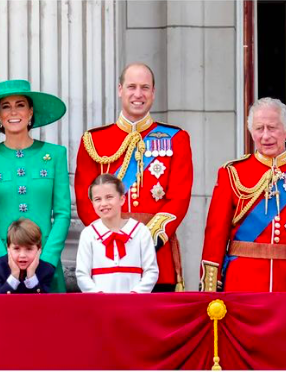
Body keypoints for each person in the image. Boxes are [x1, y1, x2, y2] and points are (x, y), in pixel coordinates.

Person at [74, 63, 193, 292]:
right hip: (107, 257)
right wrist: (111, 238)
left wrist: (142, 241)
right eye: (131, 87)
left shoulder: (176, 138)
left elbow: (179, 199)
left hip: (157, 257)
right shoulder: (93, 140)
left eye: (145, 87)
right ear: (120, 89)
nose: (138, 94)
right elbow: (84, 199)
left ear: (153, 93)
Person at [200, 97, 286, 292]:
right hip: (241, 285)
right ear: (251, 132)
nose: (266, 136)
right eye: (259, 128)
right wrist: (210, 290)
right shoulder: (232, 173)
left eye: (272, 128)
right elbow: (214, 238)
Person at [0, 79, 71, 293]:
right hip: (5, 266)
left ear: (31, 112)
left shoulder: (56, 154)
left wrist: (48, 259)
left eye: (20, 105)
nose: (14, 112)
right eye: (6, 106)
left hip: (46, 262)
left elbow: (62, 213)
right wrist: (3, 259)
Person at [76, 173, 159, 293]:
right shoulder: (88, 234)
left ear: (121, 199)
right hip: (100, 306)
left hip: (134, 305)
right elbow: (82, 274)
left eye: (109, 197)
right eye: (97, 199)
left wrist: (136, 294)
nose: (103, 203)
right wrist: (98, 296)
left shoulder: (140, 231)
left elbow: (151, 271)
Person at [0, 218, 55, 294]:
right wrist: (14, 275)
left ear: (39, 249)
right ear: (8, 248)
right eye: (16, 248)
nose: (22, 255)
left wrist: (31, 277)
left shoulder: (46, 270)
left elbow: (45, 303)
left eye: (29, 249)